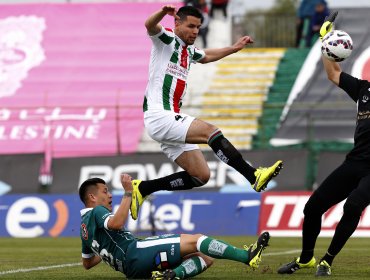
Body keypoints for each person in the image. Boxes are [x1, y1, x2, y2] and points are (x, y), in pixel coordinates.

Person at [131, 5, 283, 220]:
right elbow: (149, 25)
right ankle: (253, 175)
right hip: (159, 115)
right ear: (177, 24)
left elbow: (208, 55)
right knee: (210, 131)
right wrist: (163, 13)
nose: (195, 31)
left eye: (198, 27)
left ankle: (144, 188)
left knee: (201, 176)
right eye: (191, 26)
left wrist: (234, 48)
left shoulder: (188, 51)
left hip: (168, 120)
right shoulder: (166, 40)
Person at [278, 11, 369, 277]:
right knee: (313, 207)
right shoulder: (364, 90)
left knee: (353, 205)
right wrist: (325, 42)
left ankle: (327, 260)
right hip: (355, 162)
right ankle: (306, 259)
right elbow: (333, 73)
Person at [79, 174, 271, 279]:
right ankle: (247, 256)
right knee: (197, 240)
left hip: (131, 270)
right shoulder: (97, 211)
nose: (110, 195)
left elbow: (87, 263)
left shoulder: (84, 230)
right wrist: (128, 192)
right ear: (92, 197)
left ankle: (171, 275)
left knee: (204, 258)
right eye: (105, 191)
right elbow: (117, 223)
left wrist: (107, 252)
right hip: (135, 252)